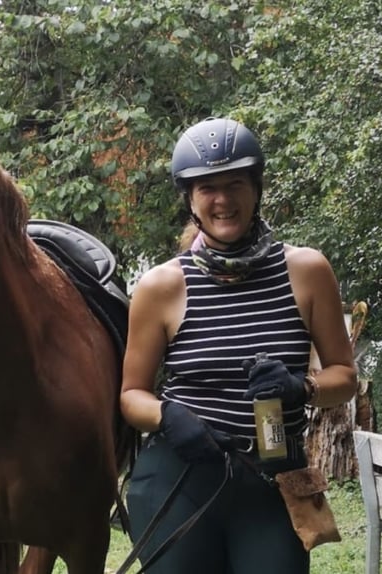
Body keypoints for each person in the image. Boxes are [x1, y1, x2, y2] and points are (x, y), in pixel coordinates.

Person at [120, 117, 357, 574]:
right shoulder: (161, 286)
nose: (222, 200)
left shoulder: (307, 270)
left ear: (257, 188)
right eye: (207, 188)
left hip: (272, 478)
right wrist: (166, 415)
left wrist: (302, 387)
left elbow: (344, 377)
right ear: (190, 199)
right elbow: (132, 395)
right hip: (180, 474)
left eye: (235, 184)